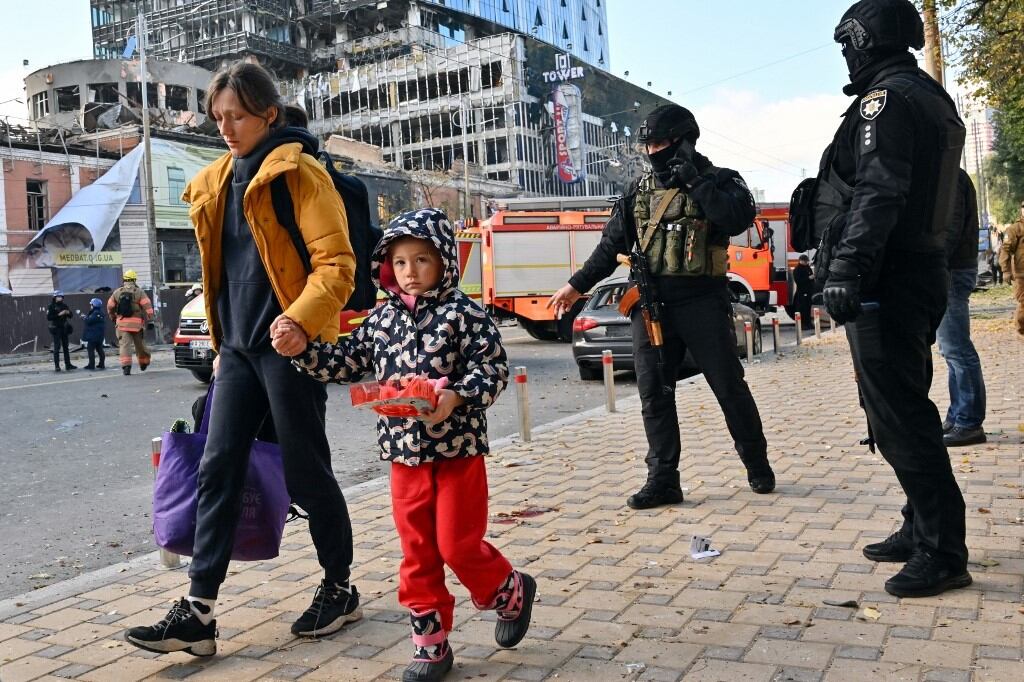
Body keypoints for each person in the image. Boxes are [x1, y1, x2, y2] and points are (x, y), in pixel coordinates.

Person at [124, 62, 360, 657]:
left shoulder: (302, 175)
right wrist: (222, 341)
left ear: (269, 115)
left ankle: (340, 586)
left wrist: (299, 320)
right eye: (218, 117)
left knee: (306, 473)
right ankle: (199, 611)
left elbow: (337, 265)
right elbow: (224, 275)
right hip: (237, 350)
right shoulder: (213, 182)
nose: (226, 127)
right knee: (216, 466)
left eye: (237, 116)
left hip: (291, 348)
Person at [291, 208, 534, 682]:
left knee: (457, 544)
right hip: (403, 457)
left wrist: (455, 395)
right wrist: (303, 349)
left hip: (459, 452)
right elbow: (343, 362)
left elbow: (492, 371)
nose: (410, 272)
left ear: (444, 260)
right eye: (400, 262)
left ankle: (508, 590)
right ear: (388, 268)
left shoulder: (465, 315)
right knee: (418, 550)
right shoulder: (381, 320)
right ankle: (430, 645)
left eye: (422, 260)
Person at [549, 104, 775, 509]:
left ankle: (757, 464)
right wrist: (574, 286)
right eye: (649, 145)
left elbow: (736, 218)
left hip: (703, 302)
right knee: (654, 393)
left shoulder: (721, 180)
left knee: (729, 387)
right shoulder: (639, 191)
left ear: (685, 141)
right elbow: (611, 245)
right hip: (651, 305)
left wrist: (695, 183)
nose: (653, 151)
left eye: (661, 143)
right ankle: (663, 479)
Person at [818, 0, 971, 598]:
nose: (847, 55)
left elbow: (880, 190)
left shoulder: (886, 101)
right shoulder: (929, 96)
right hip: (918, 270)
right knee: (903, 405)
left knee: (900, 417)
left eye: (849, 42)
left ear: (870, 38)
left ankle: (942, 550)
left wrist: (849, 269)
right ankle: (919, 526)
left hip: (889, 275)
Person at [937, 170, 986, 447]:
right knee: (951, 349)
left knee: (957, 349)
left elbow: (949, 228)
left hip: (951, 269)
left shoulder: (950, 176)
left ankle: (968, 421)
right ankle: (958, 416)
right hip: (953, 267)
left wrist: (934, 262)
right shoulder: (951, 174)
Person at [106, 270, 154, 375]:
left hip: (122, 324)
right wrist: (150, 319)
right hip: (136, 325)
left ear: (124, 279)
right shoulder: (139, 292)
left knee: (124, 346)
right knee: (140, 345)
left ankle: (126, 367)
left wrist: (113, 317)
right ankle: (143, 362)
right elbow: (147, 306)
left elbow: (110, 306)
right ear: (134, 279)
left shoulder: (117, 292)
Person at [999, 201, 1024, 335]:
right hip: (1021, 275)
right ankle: (1021, 331)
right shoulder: (1015, 229)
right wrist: (1006, 271)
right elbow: (1005, 250)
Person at [46, 290, 76, 372]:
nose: (60, 298)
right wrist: (59, 314)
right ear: (54, 297)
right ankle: (57, 366)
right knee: (57, 347)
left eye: (61, 297)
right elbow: (49, 317)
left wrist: (68, 312)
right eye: (58, 297)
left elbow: (71, 315)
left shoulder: (64, 305)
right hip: (56, 328)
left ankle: (68, 364)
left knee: (66, 347)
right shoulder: (51, 306)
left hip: (64, 328)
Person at [82, 297, 107, 371]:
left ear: (94, 305)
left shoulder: (95, 313)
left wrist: (84, 317)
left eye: (91, 305)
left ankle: (91, 365)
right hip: (99, 335)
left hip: (93, 335)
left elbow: (89, 321)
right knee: (100, 349)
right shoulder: (101, 312)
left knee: (90, 350)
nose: (90, 306)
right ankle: (101, 364)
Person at [792, 254, 815, 327]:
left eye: (807, 261)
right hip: (801, 292)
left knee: (808, 307)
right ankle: (803, 324)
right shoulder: (797, 269)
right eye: (805, 261)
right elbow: (798, 281)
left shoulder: (807, 267)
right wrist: (809, 278)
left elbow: (811, 276)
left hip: (809, 291)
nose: (806, 263)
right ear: (801, 261)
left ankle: (808, 323)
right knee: (802, 308)